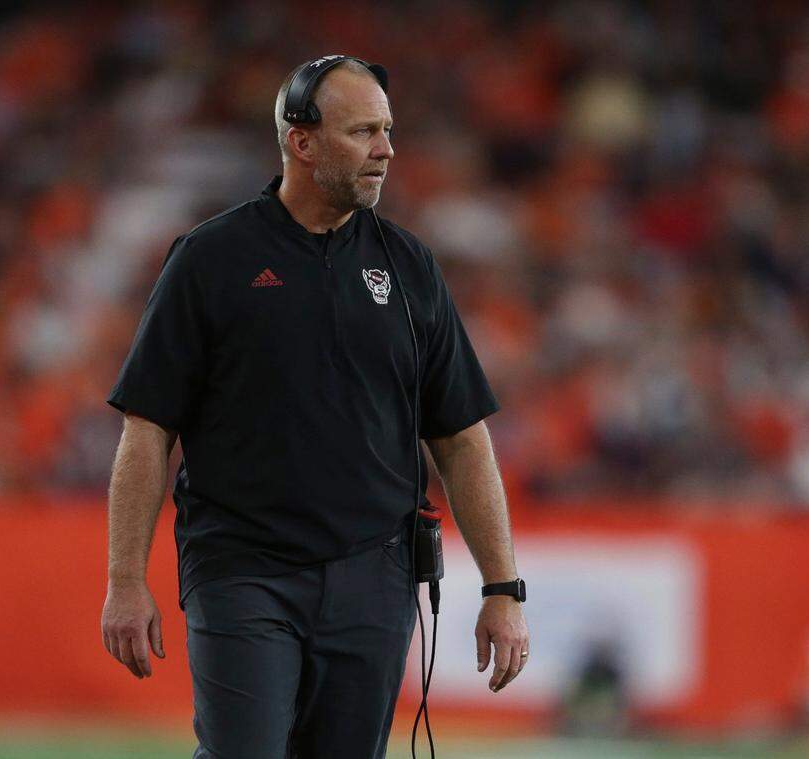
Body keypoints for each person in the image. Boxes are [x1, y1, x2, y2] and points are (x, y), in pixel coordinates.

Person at [99, 55, 530, 759]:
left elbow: (461, 437)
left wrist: (503, 587)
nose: (387, 149)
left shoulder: (410, 266)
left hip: (374, 577)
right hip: (243, 570)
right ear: (302, 141)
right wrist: (124, 581)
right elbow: (147, 429)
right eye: (364, 131)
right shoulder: (210, 259)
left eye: (387, 129)